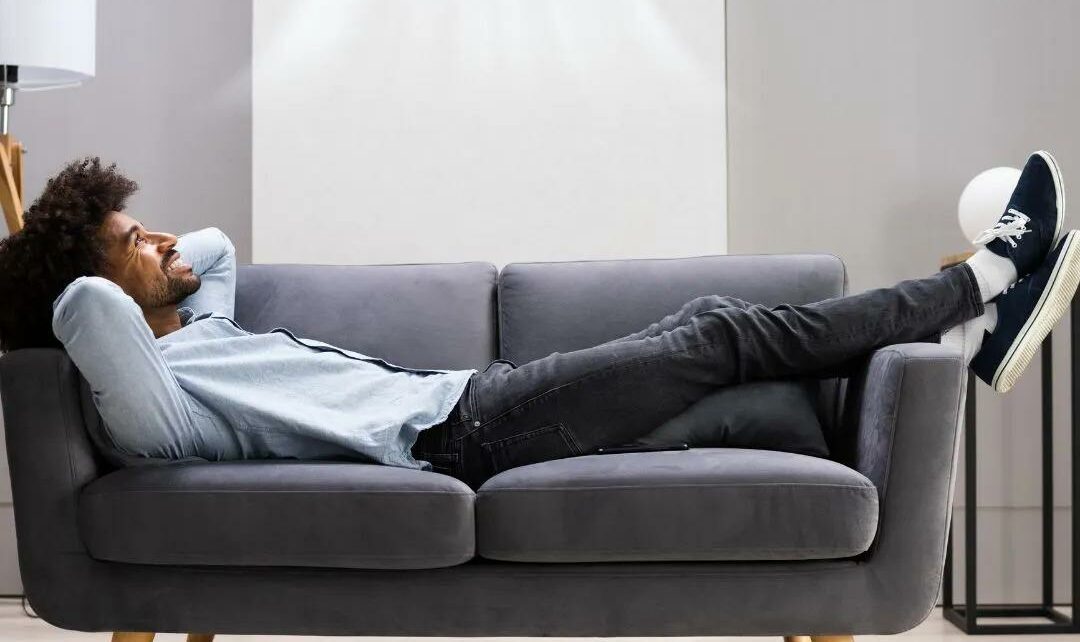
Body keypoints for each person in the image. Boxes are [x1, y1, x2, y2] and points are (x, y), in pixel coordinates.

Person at [0, 153, 1076, 490]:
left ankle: (967, 342)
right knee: (714, 335)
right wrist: (55, 257)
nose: (163, 242)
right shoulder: (165, 405)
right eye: (133, 239)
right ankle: (985, 275)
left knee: (729, 359)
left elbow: (215, 246)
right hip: (465, 434)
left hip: (476, 406)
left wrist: (139, 254)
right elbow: (85, 307)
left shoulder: (199, 331)